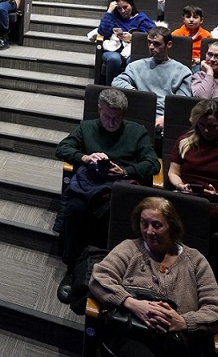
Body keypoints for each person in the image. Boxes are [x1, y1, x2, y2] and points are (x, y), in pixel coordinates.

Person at [54, 89, 159, 304]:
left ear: (123, 115)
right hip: (90, 186)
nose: (111, 122)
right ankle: (73, 267)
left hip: (119, 187)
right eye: (107, 117)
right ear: (99, 110)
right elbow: (62, 148)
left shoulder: (137, 132)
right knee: (75, 210)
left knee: (114, 210)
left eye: (117, 118)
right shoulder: (87, 127)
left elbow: (152, 163)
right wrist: (84, 157)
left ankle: (110, 269)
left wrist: (125, 171)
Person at [88, 196, 218, 357]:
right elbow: (99, 278)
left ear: (172, 227)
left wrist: (183, 322)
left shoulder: (195, 260)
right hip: (133, 335)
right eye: (144, 224)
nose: (149, 231)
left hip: (178, 343)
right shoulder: (129, 249)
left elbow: (216, 310)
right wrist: (134, 305)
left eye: (157, 225)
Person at [113, 28, 192, 130]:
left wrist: (165, 118)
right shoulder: (136, 66)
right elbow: (117, 81)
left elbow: (181, 104)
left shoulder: (183, 72)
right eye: (149, 42)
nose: (151, 47)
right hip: (139, 114)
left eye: (156, 44)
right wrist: (136, 93)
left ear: (169, 44)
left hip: (166, 118)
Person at [96, 0, 159, 85]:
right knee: (114, 59)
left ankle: (130, 90)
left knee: (133, 60)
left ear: (131, 5)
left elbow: (154, 34)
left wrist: (134, 37)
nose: (122, 11)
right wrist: (109, 12)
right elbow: (102, 31)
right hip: (113, 50)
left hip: (132, 50)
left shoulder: (141, 18)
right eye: (119, 8)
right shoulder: (112, 17)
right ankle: (111, 89)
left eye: (125, 7)